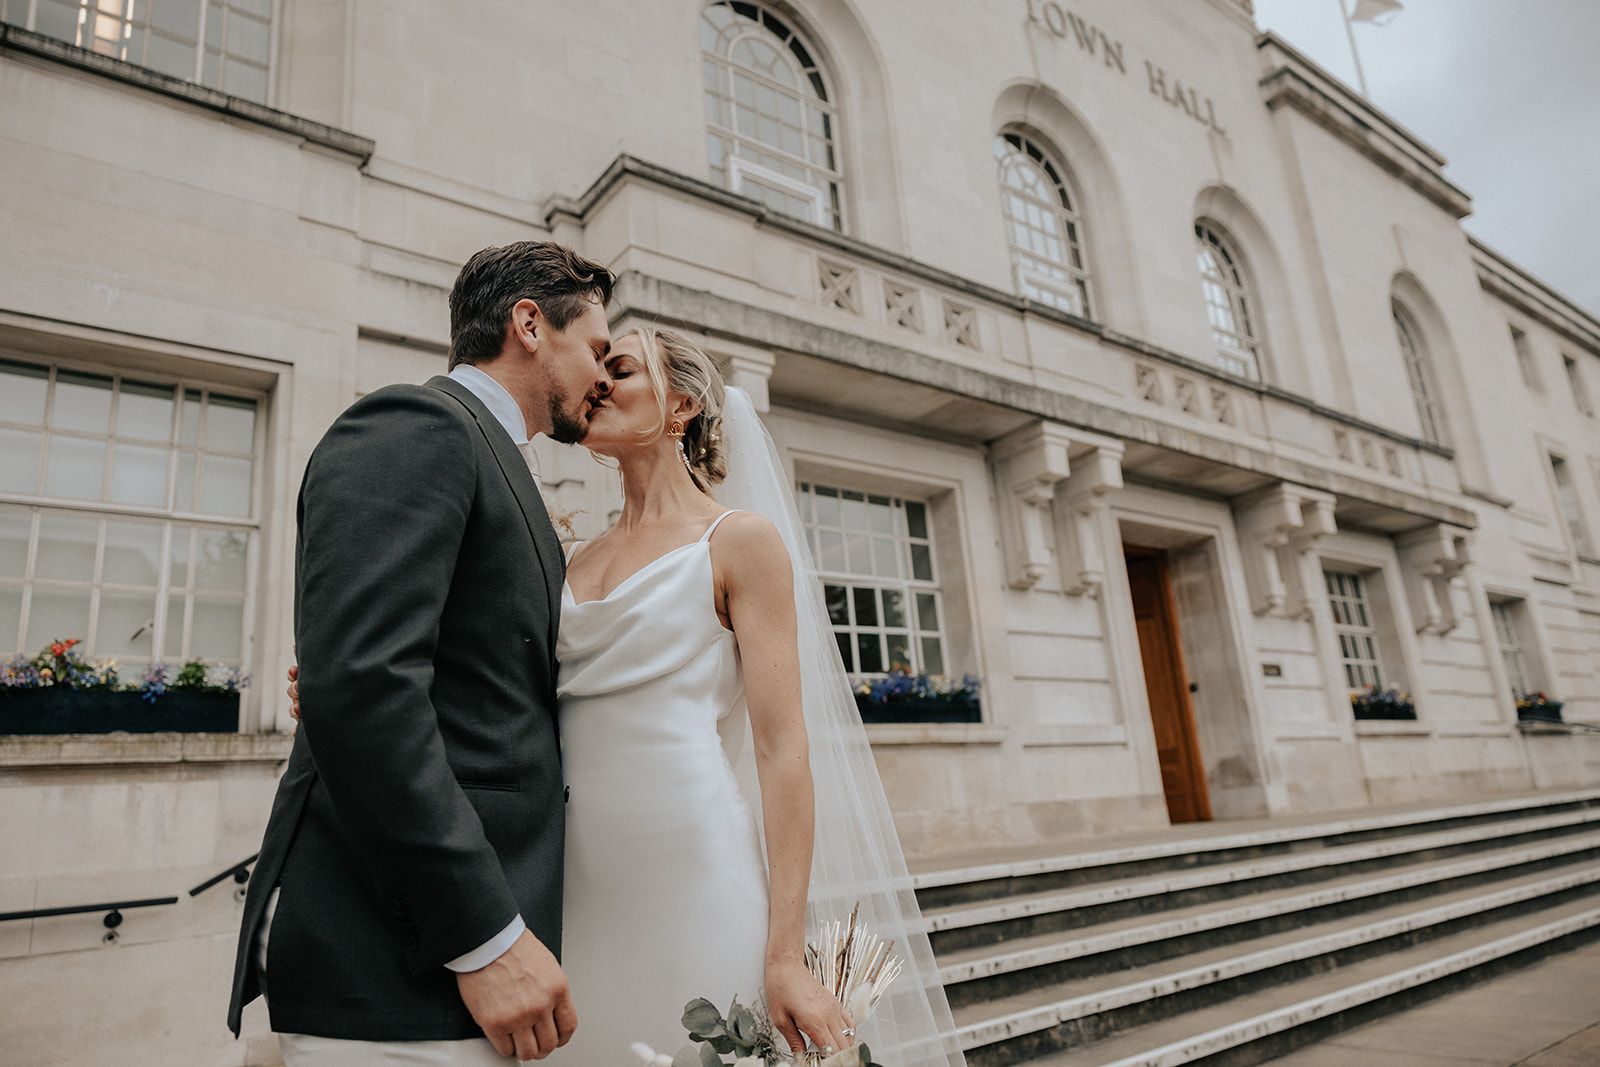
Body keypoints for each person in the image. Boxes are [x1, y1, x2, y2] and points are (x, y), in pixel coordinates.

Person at [277, 322, 965, 1062]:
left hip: (694, 865)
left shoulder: (740, 541)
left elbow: (782, 747)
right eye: (599, 365)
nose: (599, 381)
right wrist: (336, 684)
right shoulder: (564, 555)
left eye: (622, 368)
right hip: (567, 884)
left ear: (682, 408)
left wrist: (785, 953)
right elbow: (495, 687)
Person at [227, 241, 616, 1065]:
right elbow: (365, 685)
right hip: (402, 965)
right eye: (597, 348)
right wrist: (483, 935)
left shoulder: (494, 456)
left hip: (461, 965)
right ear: (529, 325)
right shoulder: (419, 424)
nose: (604, 376)